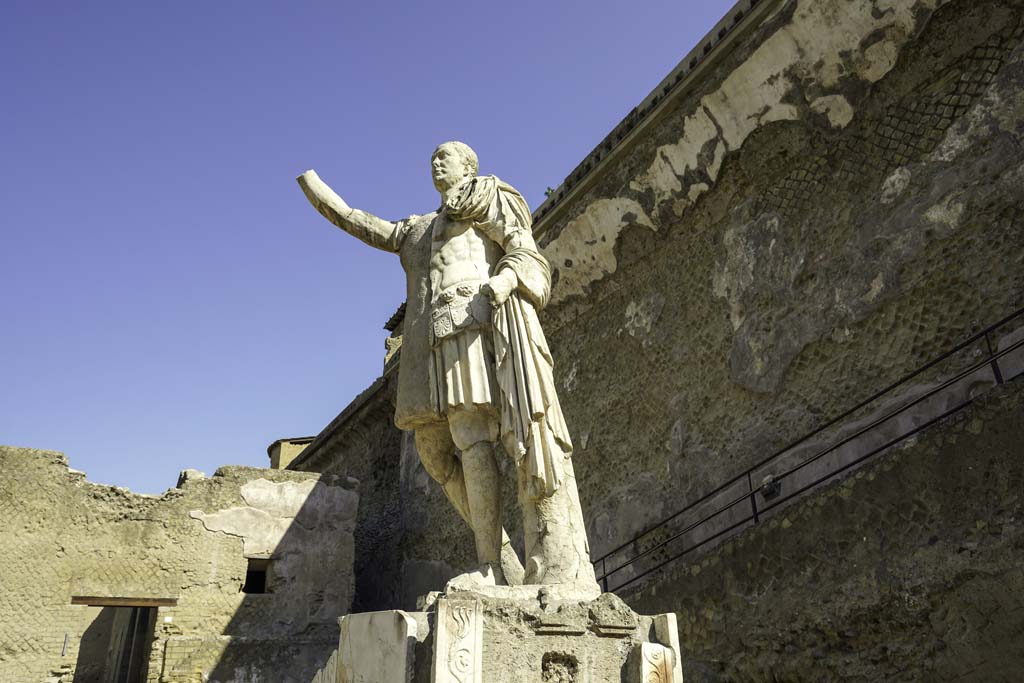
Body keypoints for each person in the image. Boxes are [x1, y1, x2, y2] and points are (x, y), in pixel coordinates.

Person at [298, 142, 596, 592]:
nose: (436, 163)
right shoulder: (417, 229)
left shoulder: (487, 196)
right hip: (429, 344)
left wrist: (507, 278)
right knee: (433, 452)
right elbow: (361, 222)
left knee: (472, 434)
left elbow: (524, 248)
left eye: (446, 156)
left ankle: (489, 564)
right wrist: (315, 188)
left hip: (472, 323)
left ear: (468, 165)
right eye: (432, 159)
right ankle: (504, 558)